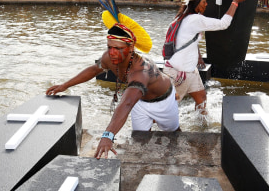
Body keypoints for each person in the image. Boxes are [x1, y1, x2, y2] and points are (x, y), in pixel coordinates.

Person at [46, 22, 178, 159]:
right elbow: (93, 70)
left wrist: (108, 136)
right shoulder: (109, 57)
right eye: (109, 47)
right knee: (139, 138)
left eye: (118, 48)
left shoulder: (141, 71)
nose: (112, 52)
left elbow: (126, 103)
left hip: (162, 100)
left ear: (131, 48)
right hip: (139, 100)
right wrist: (65, 85)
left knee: (173, 134)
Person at [164, 0, 248, 114]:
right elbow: (223, 24)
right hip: (180, 73)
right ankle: (149, 130)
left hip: (188, 70)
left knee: (202, 98)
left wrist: (198, 57)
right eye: (204, 2)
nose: (206, 4)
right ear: (196, 3)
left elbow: (189, 39)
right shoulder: (195, 19)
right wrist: (235, 1)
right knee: (167, 109)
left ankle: (202, 126)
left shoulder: (181, 18)